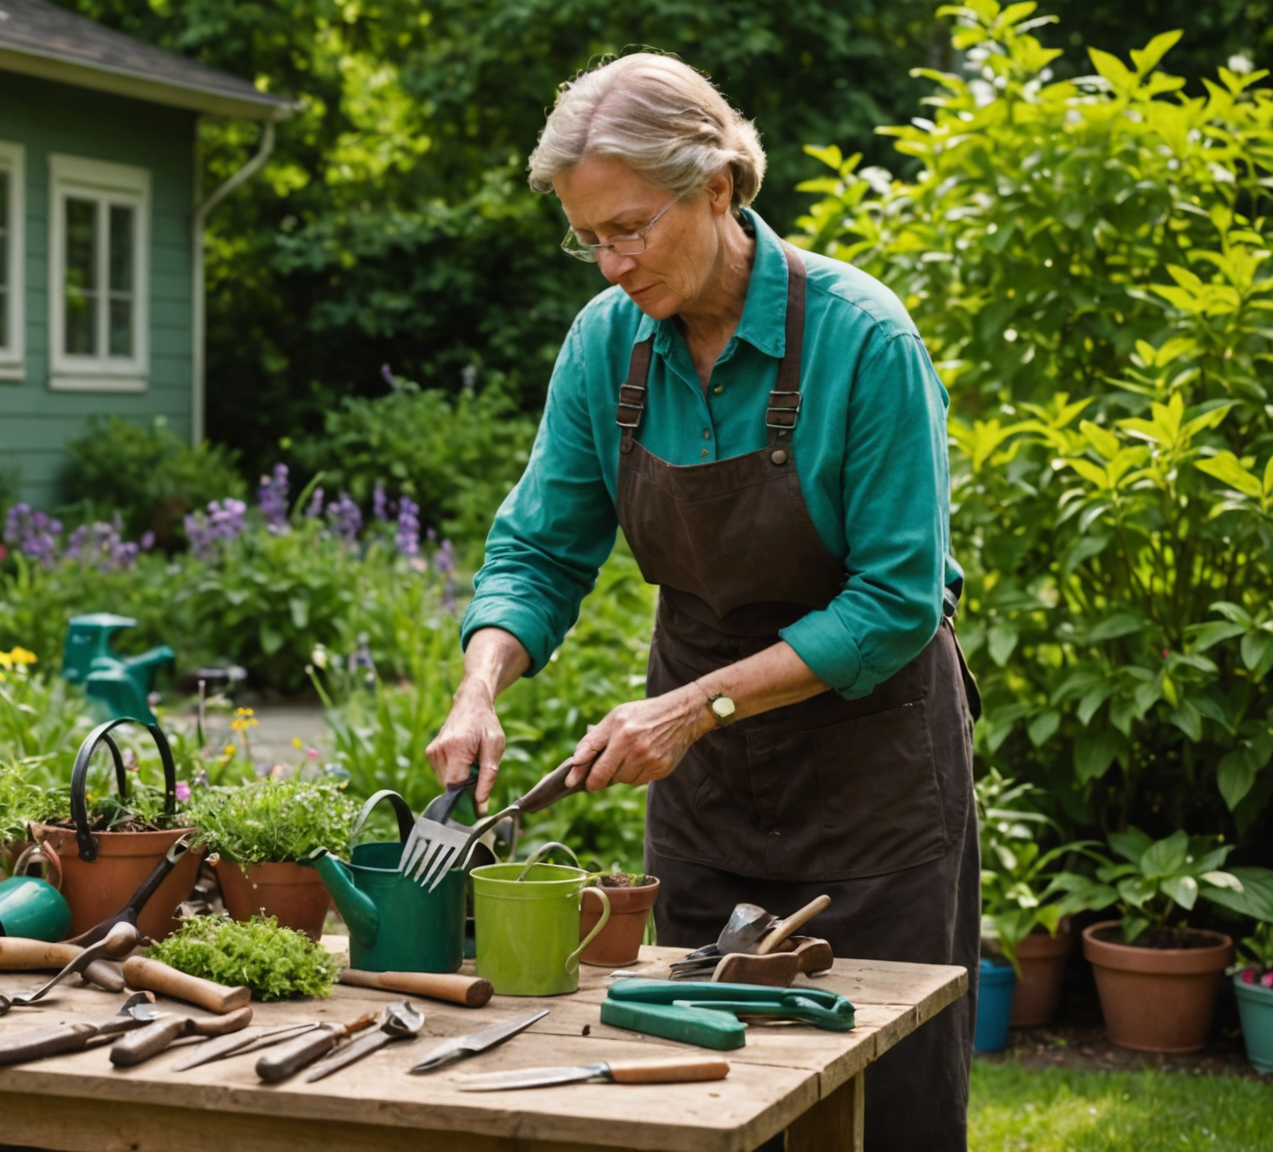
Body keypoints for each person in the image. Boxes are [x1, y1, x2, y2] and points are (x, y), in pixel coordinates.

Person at [424, 53, 978, 1152]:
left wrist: (690, 708)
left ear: (719, 187)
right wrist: (479, 686)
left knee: (891, 1105)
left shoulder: (866, 342)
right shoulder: (606, 346)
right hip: (707, 796)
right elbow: (539, 549)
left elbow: (895, 601)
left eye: (630, 229)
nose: (611, 263)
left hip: (873, 782)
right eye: (589, 237)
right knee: (696, 1093)